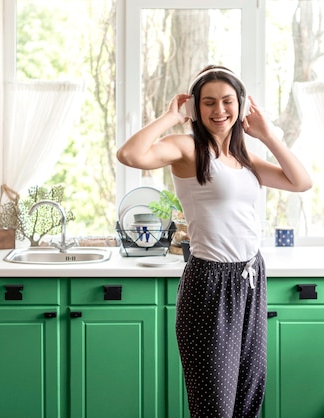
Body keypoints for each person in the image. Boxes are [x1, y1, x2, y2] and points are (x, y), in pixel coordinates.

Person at [117, 65, 312, 417]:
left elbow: (301, 182)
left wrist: (268, 136)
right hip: (210, 284)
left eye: (227, 101)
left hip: (252, 278)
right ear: (195, 108)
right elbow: (129, 155)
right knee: (215, 407)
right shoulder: (188, 149)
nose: (219, 110)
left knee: (247, 400)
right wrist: (168, 117)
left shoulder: (243, 158)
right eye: (208, 102)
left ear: (241, 105)